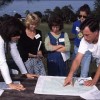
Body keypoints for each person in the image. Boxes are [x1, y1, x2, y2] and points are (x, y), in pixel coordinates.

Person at [0, 16, 37, 91]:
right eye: (17, 34)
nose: (19, 37)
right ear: (10, 32)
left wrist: (25, 73)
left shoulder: (9, 38)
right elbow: (2, 62)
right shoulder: (0, 40)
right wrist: (10, 84)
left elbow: (16, 56)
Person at [64, 17, 100, 86]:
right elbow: (77, 59)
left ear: (96, 32)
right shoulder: (84, 40)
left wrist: (94, 80)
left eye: (87, 35)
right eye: (83, 35)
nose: (85, 38)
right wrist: (70, 75)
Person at [71, 4, 92, 77]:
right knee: (74, 71)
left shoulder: (91, 25)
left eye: (84, 16)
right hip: (77, 49)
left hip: (87, 51)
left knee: (84, 73)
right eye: (80, 16)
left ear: (88, 16)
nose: (82, 18)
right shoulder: (75, 23)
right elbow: (74, 35)